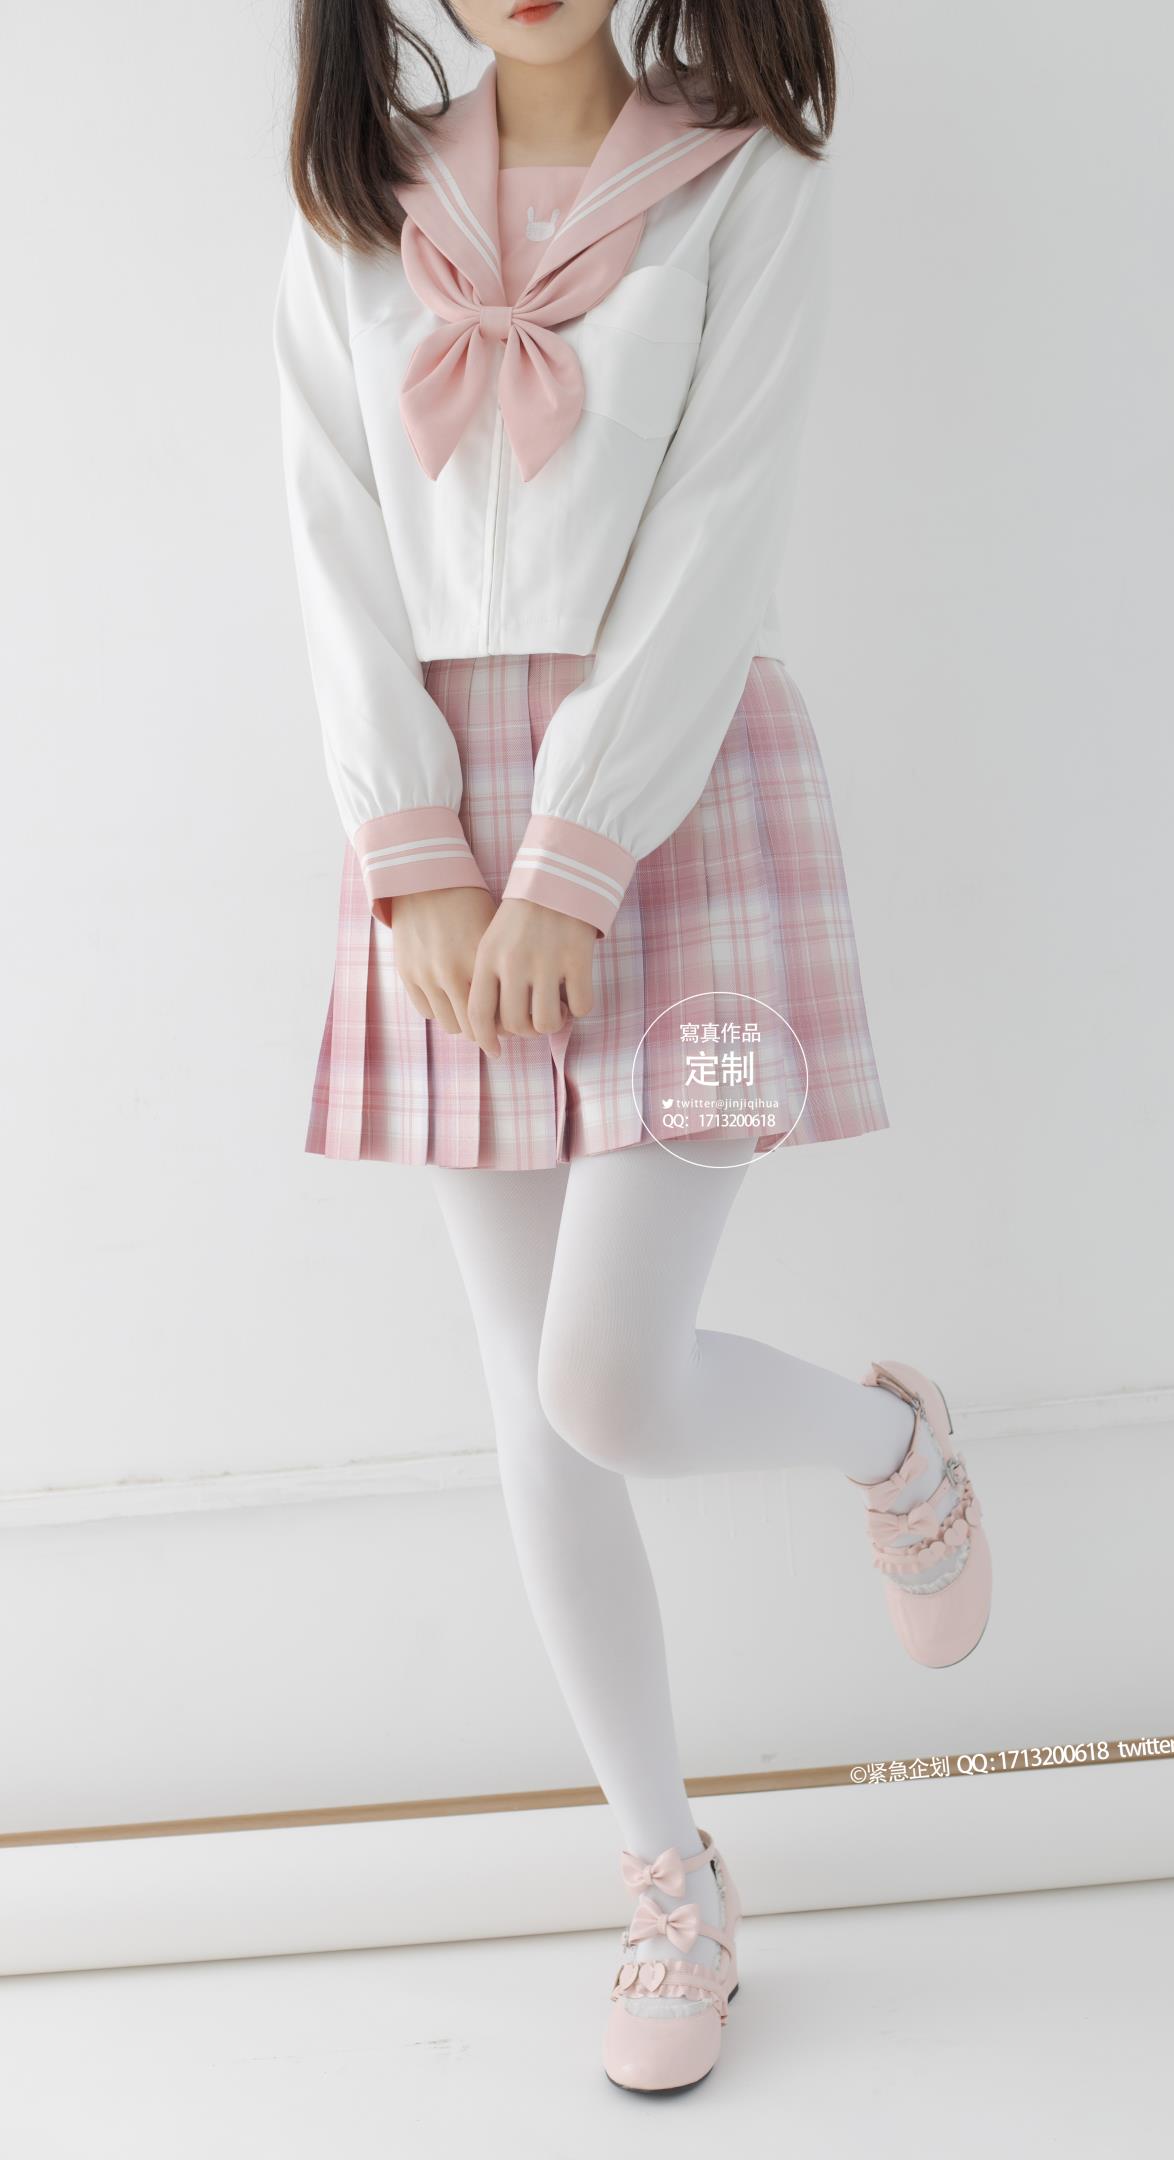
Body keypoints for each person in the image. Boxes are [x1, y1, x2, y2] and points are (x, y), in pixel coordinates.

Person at [272, 0, 991, 2094]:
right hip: (438, 834)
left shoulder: (745, 175)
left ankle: (894, 1451)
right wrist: (417, 858)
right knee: (533, 1399)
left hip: (681, 815)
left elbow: (717, 530)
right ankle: (667, 1875)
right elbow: (328, 533)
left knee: (609, 1377)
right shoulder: (352, 198)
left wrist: (573, 861)